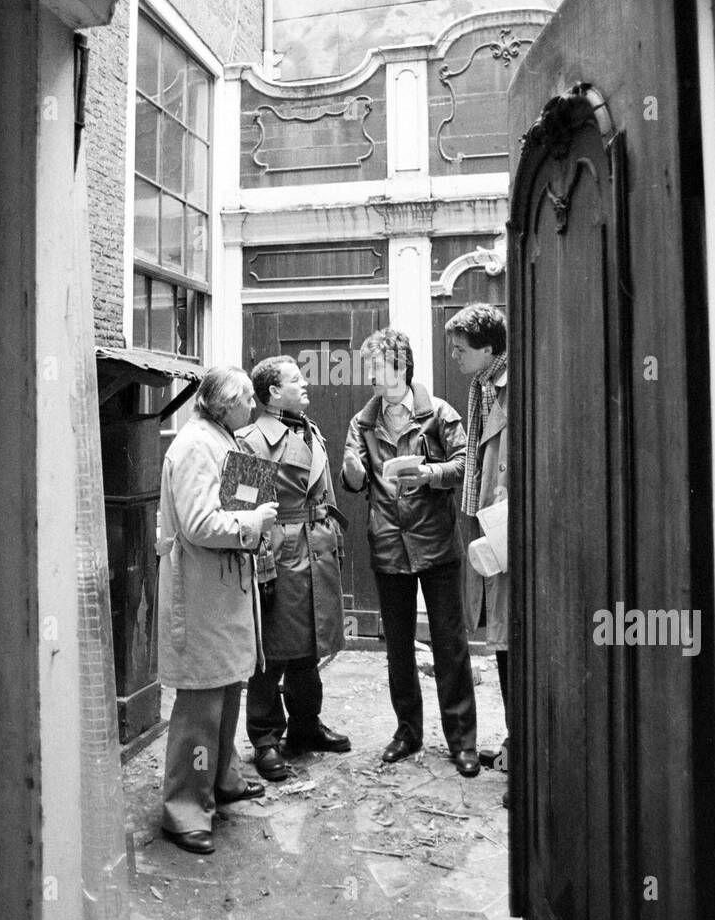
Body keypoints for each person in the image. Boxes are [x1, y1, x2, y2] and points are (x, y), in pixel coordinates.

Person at [342, 327, 480, 776]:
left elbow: (466, 465)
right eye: (370, 367)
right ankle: (407, 732)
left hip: (437, 543)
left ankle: (462, 740)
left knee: (450, 644)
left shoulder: (439, 414)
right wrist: (352, 471)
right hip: (387, 543)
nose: (371, 375)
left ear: (401, 366)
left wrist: (430, 474)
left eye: (378, 366)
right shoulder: (362, 423)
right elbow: (355, 480)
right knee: (398, 647)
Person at [155, 366, 279, 855]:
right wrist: (254, 520)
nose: (253, 406)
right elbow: (199, 524)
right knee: (202, 707)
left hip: (223, 593)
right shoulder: (192, 446)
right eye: (247, 399)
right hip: (202, 597)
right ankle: (184, 809)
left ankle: (221, 779)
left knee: (227, 690)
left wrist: (256, 517)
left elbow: (235, 502)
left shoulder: (224, 438)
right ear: (225, 403)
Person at [238, 355, 351, 781]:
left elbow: (326, 492)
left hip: (316, 544)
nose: (305, 384)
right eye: (296, 380)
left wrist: (332, 540)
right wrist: (261, 561)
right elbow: (241, 509)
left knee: (309, 644)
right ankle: (266, 739)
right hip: (279, 551)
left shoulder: (310, 428)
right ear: (272, 393)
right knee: (272, 651)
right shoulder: (249, 440)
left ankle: (305, 725)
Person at [446, 302, 510, 803]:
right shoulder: (480, 387)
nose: (454, 356)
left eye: (461, 349)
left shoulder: (506, 387)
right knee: (503, 642)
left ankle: (521, 747)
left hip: (503, 532)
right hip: (487, 529)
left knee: (512, 645)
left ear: (488, 350)